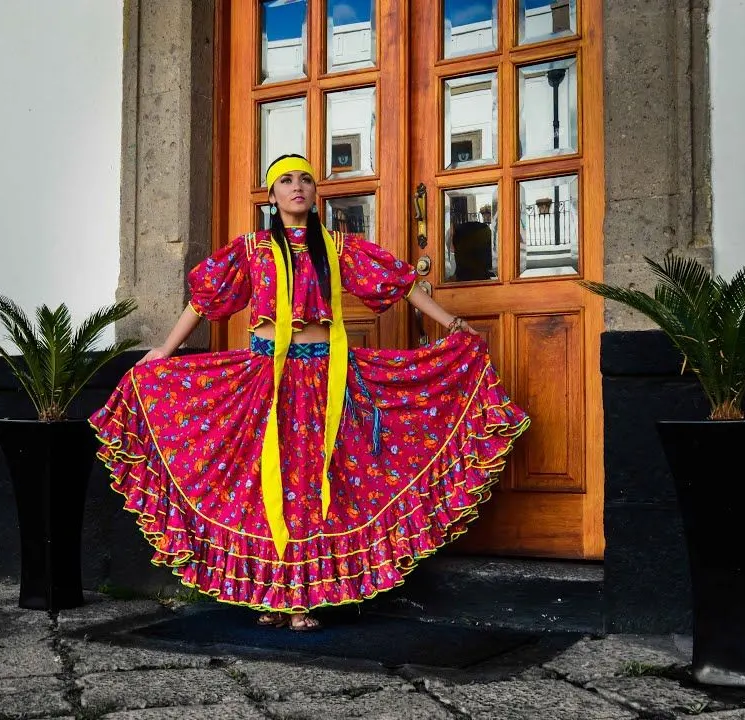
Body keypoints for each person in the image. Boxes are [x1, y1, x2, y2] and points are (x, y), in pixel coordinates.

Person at [89, 154, 530, 631]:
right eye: (286, 180)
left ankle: (305, 596)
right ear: (272, 195)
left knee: (315, 487)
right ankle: (270, 593)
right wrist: (165, 352)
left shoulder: (338, 247)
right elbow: (203, 301)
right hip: (264, 381)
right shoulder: (250, 249)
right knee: (263, 487)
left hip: (325, 380)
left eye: (305, 179)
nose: (297, 187)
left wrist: (456, 325)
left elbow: (404, 285)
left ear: (315, 194)